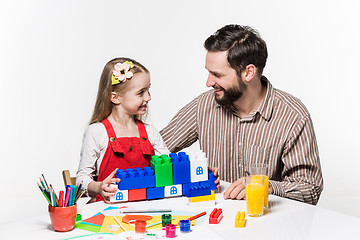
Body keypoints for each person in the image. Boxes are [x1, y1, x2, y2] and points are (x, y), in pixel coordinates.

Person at [160, 25, 323, 205]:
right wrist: (192, 171)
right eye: (208, 72)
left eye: (217, 74)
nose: (208, 82)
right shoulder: (204, 105)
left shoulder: (293, 115)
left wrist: (265, 186)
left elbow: (310, 189)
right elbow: (154, 151)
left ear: (248, 72)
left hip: (267, 224)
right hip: (215, 222)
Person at [77, 57, 169, 203]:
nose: (148, 97)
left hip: (145, 208)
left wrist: (201, 169)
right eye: (141, 92)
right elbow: (81, 180)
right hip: (108, 210)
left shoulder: (150, 132)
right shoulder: (97, 132)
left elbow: (169, 166)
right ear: (115, 97)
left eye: (148, 90)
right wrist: (99, 186)